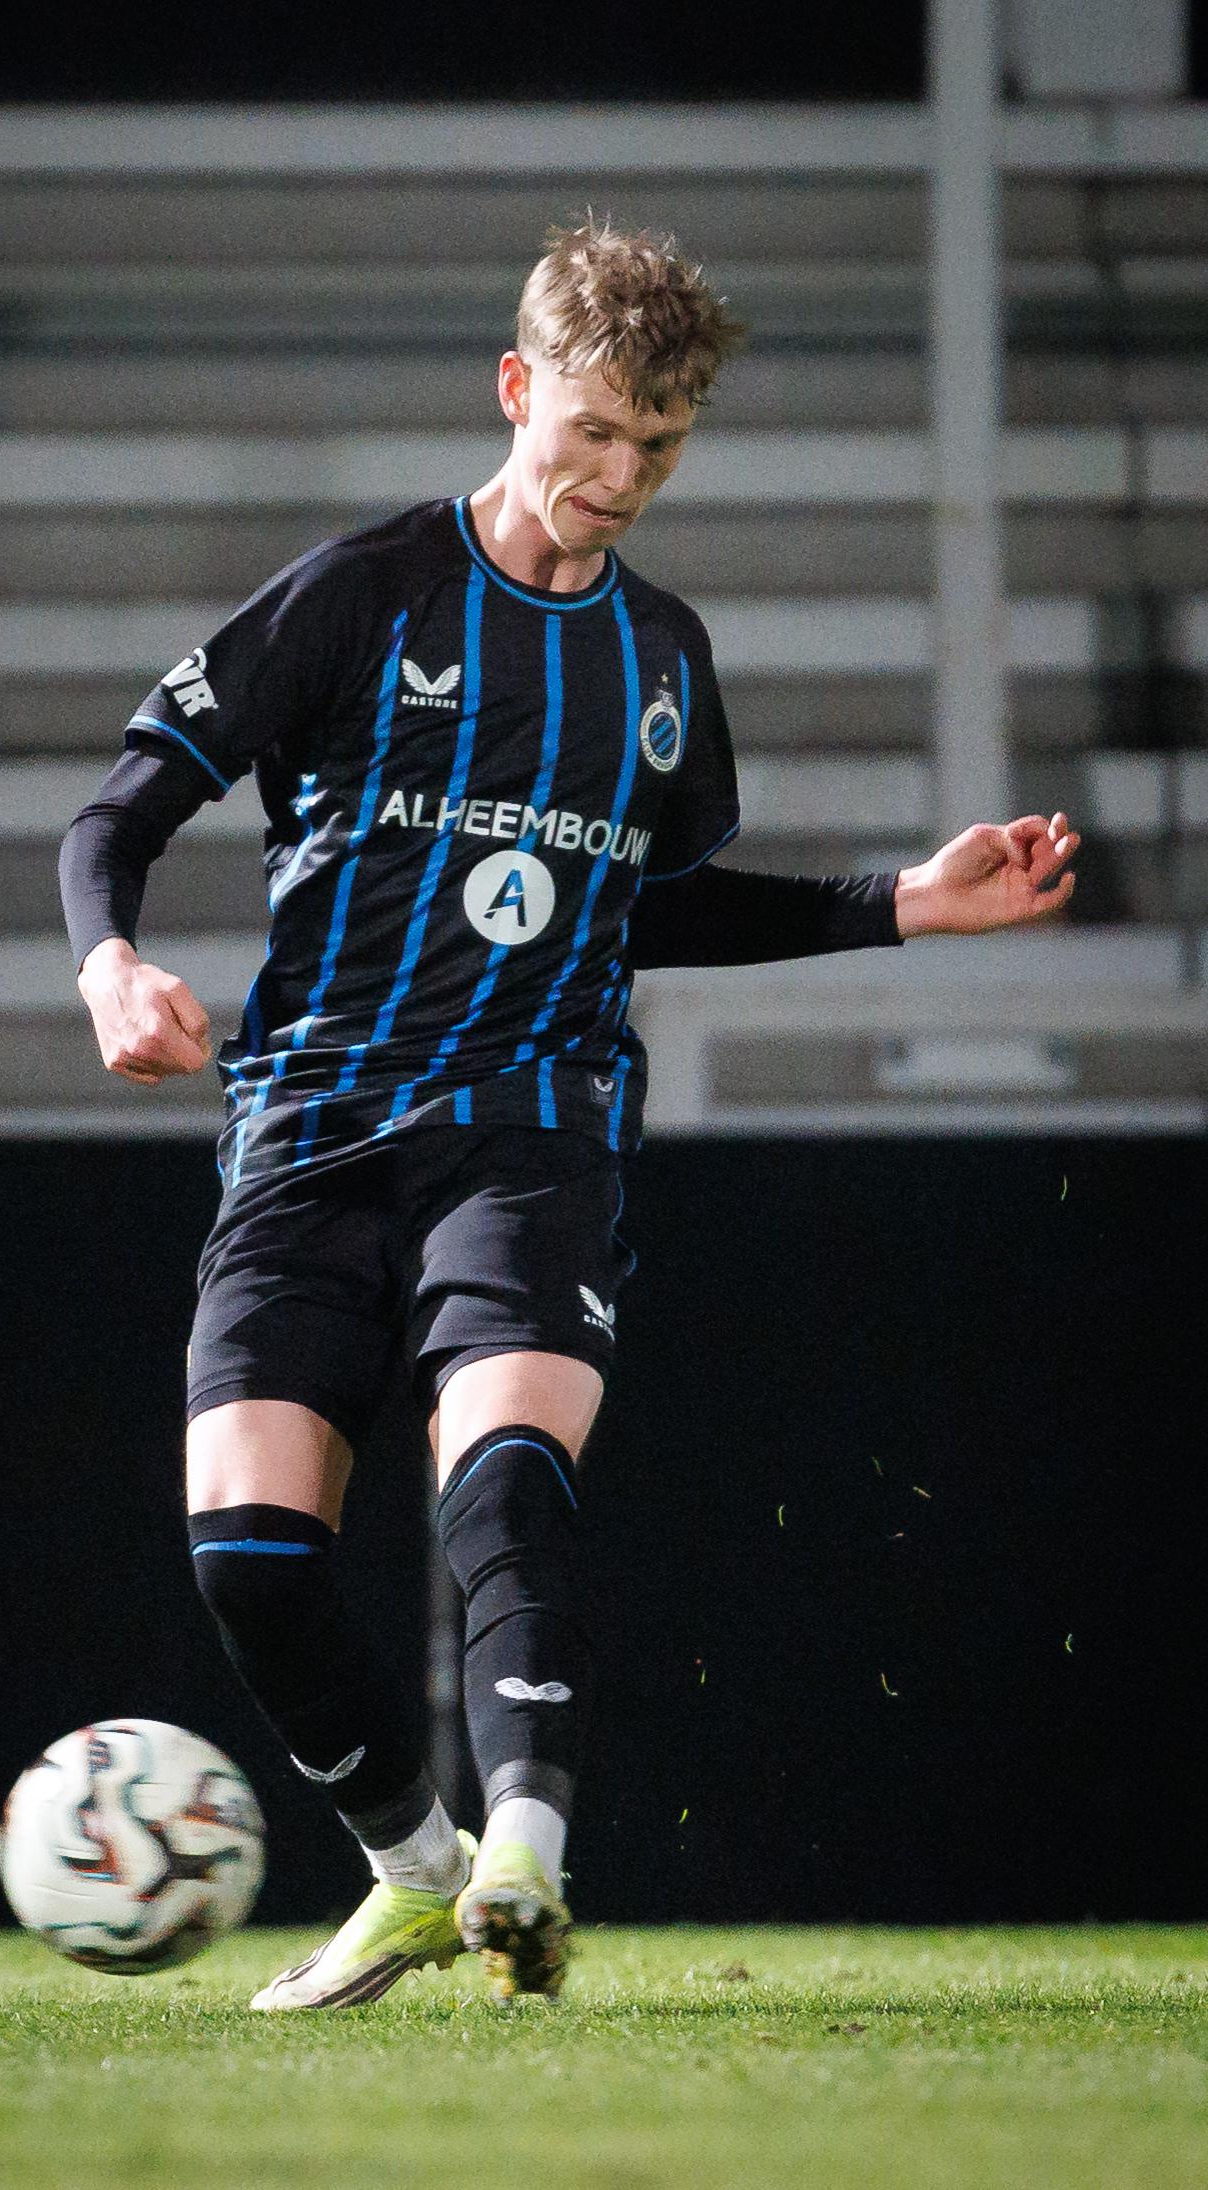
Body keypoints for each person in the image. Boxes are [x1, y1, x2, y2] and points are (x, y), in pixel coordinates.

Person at [59, 218, 1079, 2010]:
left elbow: (647, 906)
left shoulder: (664, 663)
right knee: (248, 1560)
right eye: (597, 430)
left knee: (507, 1468)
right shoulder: (359, 595)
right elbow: (114, 815)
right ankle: (414, 1867)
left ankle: (525, 1849)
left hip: (531, 1128)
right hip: (303, 1129)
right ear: (518, 390)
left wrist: (901, 900)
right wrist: (112, 966)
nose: (623, 476)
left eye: (662, 444)